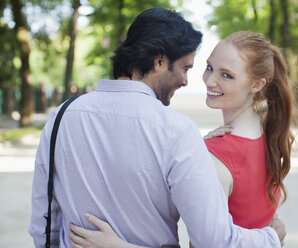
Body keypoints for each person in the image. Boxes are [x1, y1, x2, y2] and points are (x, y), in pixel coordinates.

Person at [29, 8, 284, 248]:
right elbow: (213, 239)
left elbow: (44, 224)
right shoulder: (176, 131)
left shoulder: (61, 117)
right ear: (160, 61)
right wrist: (272, 238)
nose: (187, 81)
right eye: (185, 68)